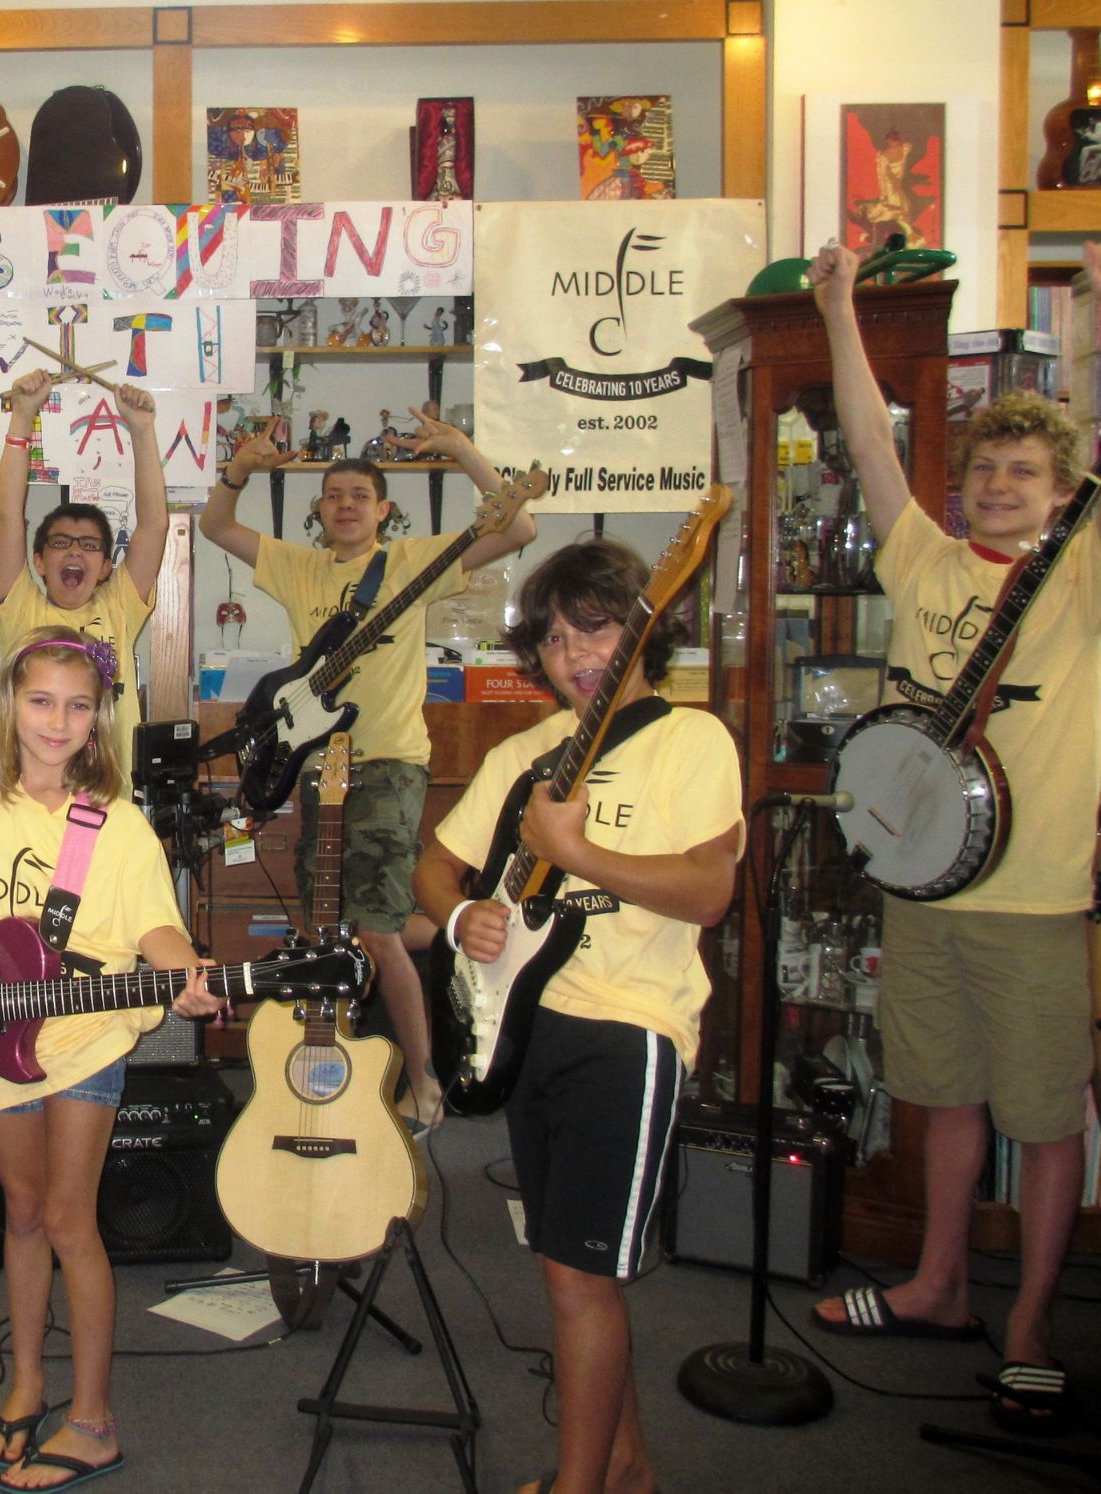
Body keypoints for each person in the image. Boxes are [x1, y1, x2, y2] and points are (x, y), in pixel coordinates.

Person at [804, 240, 1101, 1434]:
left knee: (1044, 1117)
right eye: (987, 470)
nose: (1001, 487)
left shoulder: (1082, 579)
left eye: (1025, 473)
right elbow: (866, 439)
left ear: (1059, 491)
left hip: (1029, 902)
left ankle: (1030, 1323)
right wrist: (835, 306)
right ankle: (937, 1286)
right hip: (920, 888)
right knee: (940, 1099)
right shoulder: (922, 558)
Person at [0, 626, 218, 1492]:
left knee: (67, 1219)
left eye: (78, 707)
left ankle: (92, 1422)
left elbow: (156, 926)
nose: (57, 722)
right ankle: (28, 1381)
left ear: (97, 723)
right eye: (42, 701)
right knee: (20, 1214)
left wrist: (185, 971)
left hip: (84, 1035)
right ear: (12, 706)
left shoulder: (118, 823)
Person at [415, 538, 742, 1494]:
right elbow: (436, 864)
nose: (574, 653)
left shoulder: (692, 739)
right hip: (527, 1029)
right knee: (572, 1267)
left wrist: (581, 851)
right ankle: (626, 1467)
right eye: (554, 639)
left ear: (645, 630)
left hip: (629, 1033)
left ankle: (579, 1487)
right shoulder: (524, 752)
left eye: (594, 627)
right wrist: (460, 912)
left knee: (578, 1279)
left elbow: (708, 892)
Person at [199, 414, 535, 1131]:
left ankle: (426, 1084)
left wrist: (465, 452)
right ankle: (347, 1062)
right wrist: (240, 467)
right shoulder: (298, 566)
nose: (345, 504)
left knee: (377, 932)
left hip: (386, 765)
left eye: (359, 494)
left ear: (383, 509)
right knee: (334, 928)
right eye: (332, 494)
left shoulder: (413, 562)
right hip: (317, 769)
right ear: (319, 510)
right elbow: (216, 527)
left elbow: (516, 531)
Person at [0, 370, 170, 780]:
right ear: (38, 561)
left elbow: (155, 525)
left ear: (107, 566)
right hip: (28, 792)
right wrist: (22, 416)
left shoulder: (120, 604)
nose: (74, 550)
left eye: (89, 546)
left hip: (109, 794)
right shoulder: (18, 609)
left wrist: (141, 429)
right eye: (60, 542)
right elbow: (6, 515)